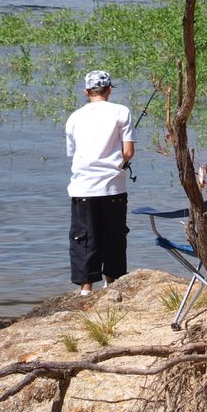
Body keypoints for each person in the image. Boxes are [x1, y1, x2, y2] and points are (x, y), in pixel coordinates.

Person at [65, 69, 137, 296]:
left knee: (84, 236)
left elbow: (72, 153)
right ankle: (111, 283)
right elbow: (128, 151)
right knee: (114, 235)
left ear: (86, 91)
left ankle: (86, 288)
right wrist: (119, 161)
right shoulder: (121, 112)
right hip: (114, 186)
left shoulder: (74, 118)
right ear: (109, 90)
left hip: (83, 187)